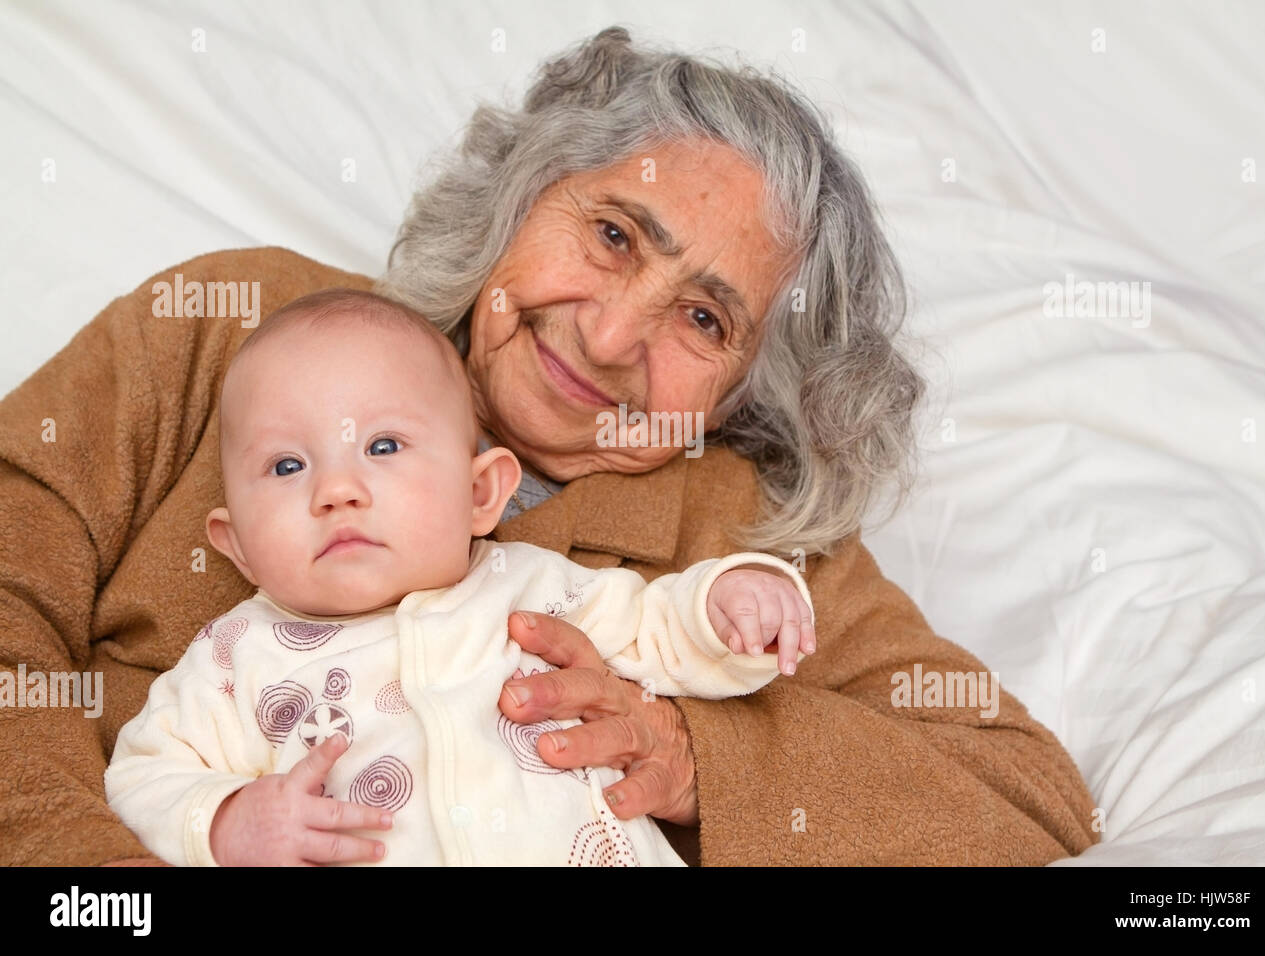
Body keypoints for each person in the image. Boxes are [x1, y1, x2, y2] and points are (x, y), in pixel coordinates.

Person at [0, 26, 1099, 866]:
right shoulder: (232, 332)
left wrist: (685, 754)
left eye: (704, 320)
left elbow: (1020, 786)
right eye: (613, 234)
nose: (613, 335)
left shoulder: (742, 541)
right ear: (521, 198)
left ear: (740, 396)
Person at [103, 289, 815, 866]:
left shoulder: (535, 591)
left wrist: (730, 599)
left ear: (481, 494)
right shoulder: (235, 659)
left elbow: (659, 629)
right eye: (288, 466)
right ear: (239, 546)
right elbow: (142, 776)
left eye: (383, 446)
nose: (337, 489)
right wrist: (227, 823)